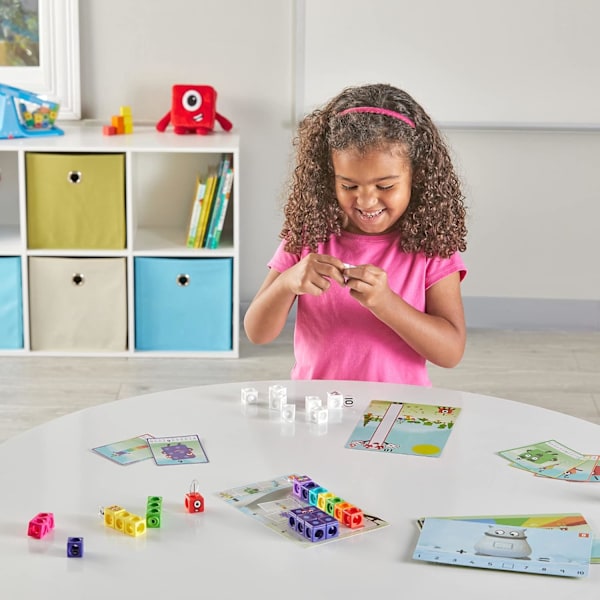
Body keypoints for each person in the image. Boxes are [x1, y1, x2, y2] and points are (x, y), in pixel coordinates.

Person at [244, 83, 467, 386]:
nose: (366, 201)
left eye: (385, 186)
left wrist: (385, 303)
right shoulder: (311, 234)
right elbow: (257, 332)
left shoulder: (431, 245)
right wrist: (287, 283)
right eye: (348, 186)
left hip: (397, 407)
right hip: (318, 405)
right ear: (329, 178)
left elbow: (451, 352)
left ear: (418, 176)